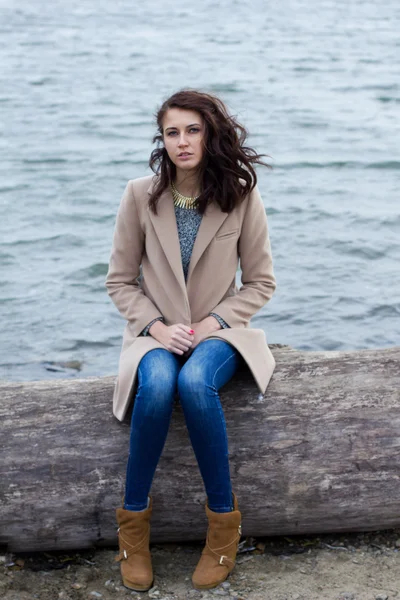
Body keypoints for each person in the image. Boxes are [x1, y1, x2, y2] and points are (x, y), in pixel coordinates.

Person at [105, 88, 277, 592]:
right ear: (162, 140)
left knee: (197, 381)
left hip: (221, 334)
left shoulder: (241, 194)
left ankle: (223, 530)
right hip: (155, 333)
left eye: (192, 130)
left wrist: (213, 324)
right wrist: (156, 326)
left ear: (210, 133)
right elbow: (119, 280)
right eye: (172, 132)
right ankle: (132, 532)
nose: (182, 141)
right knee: (158, 387)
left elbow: (262, 282)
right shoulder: (140, 194)